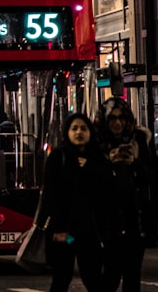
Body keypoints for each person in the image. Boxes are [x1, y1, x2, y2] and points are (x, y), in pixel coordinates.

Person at [40, 112, 108, 292]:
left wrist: (87, 168)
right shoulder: (58, 158)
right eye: (74, 128)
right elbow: (50, 195)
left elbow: (103, 193)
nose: (79, 132)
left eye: (84, 128)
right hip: (65, 233)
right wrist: (58, 229)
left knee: (93, 278)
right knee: (62, 277)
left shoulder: (98, 159)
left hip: (89, 232)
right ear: (67, 132)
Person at [96, 98, 157, 292]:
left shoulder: (138, 139)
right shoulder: (97, 143)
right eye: (112, 118)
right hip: (107, 221)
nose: (117, 123)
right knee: (110, 275)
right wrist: (108, 163)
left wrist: (134, 162)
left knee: (132, 275)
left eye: (121, 118)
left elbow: (151, 178)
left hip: (134, 221)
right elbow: (90, 182)